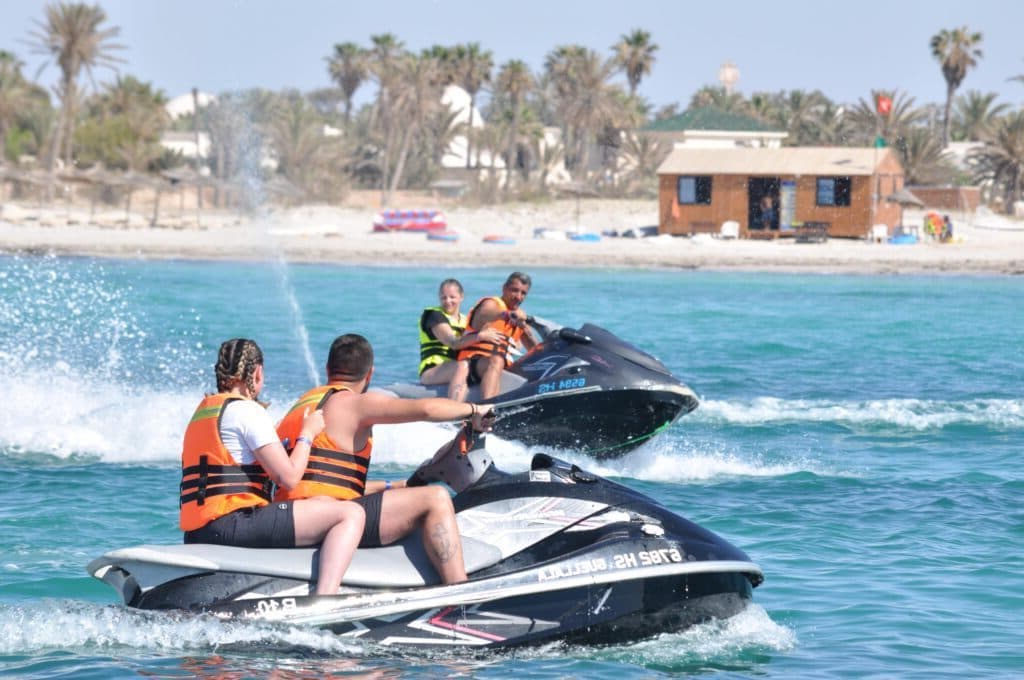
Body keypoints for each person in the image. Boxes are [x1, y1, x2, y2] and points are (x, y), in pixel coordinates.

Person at [275, 333, 494, 585]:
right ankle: (458, 593)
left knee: (410, 494)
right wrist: (476, 409)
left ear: (328, 369)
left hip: (293, 515)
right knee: (436, 498)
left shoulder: (301, 406)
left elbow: (325, 480)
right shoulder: (354, 403)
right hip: (330, 518)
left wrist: (395, 485)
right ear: (370, 374)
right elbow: (426, 409)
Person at [179, 338, 365, 595]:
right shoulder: (247, 411)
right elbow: (288, 477)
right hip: (233, 525)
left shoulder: (204, 413)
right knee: (349, 514)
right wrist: (307, 433)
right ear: (257, 373)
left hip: (197, 531)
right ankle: (326, 596)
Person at [418, 278, 503, 402]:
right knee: (462, 366)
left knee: (492, 362)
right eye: (443, 297)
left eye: (452, 297)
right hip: (433, 370)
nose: (448, 301)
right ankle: (454, 412)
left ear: (461, 297)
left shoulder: (464, 321)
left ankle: (491, 406)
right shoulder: (433, 315)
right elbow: (453, 343)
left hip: (459, 366)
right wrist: (479, 335)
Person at [457, 271, 537, 400]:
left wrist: (524, 327)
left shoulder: (518, 318)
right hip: (471, 365)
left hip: (498, 368)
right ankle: (487, 410)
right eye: (514, 290)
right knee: (496, 360)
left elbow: (536, 351)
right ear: (504, 288)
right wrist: (508, 315)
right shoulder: (491, 304)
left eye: (523, 293)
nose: (518, 297)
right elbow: (487, 313)